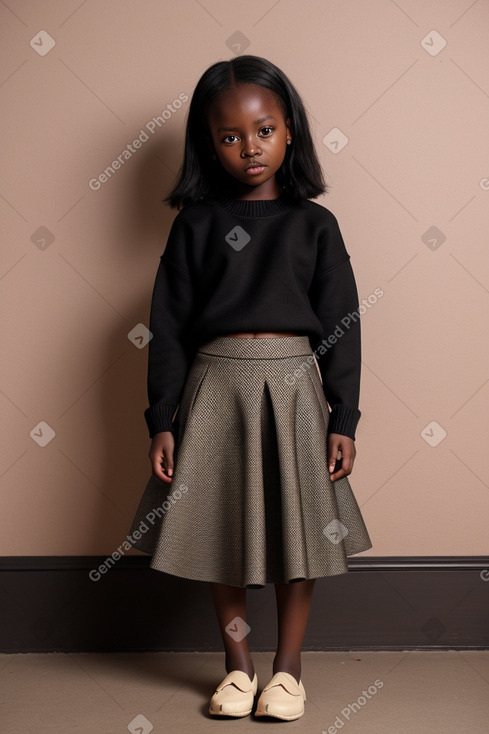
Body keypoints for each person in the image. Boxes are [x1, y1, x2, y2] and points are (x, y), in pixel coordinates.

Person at [128, 54, 372, 722]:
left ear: (289, 129)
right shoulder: (195, 225)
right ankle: (237, 670)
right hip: (214, 390)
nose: (249, 146)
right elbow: (169, 328)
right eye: (229, 135)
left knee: (300, 536)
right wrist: (162, 419)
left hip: (296, 390)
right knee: (218, 532)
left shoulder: (314, 224)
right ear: (208, 143)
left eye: (262, 129)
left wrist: (343, 416)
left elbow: (342, 326)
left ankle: (286, 673)